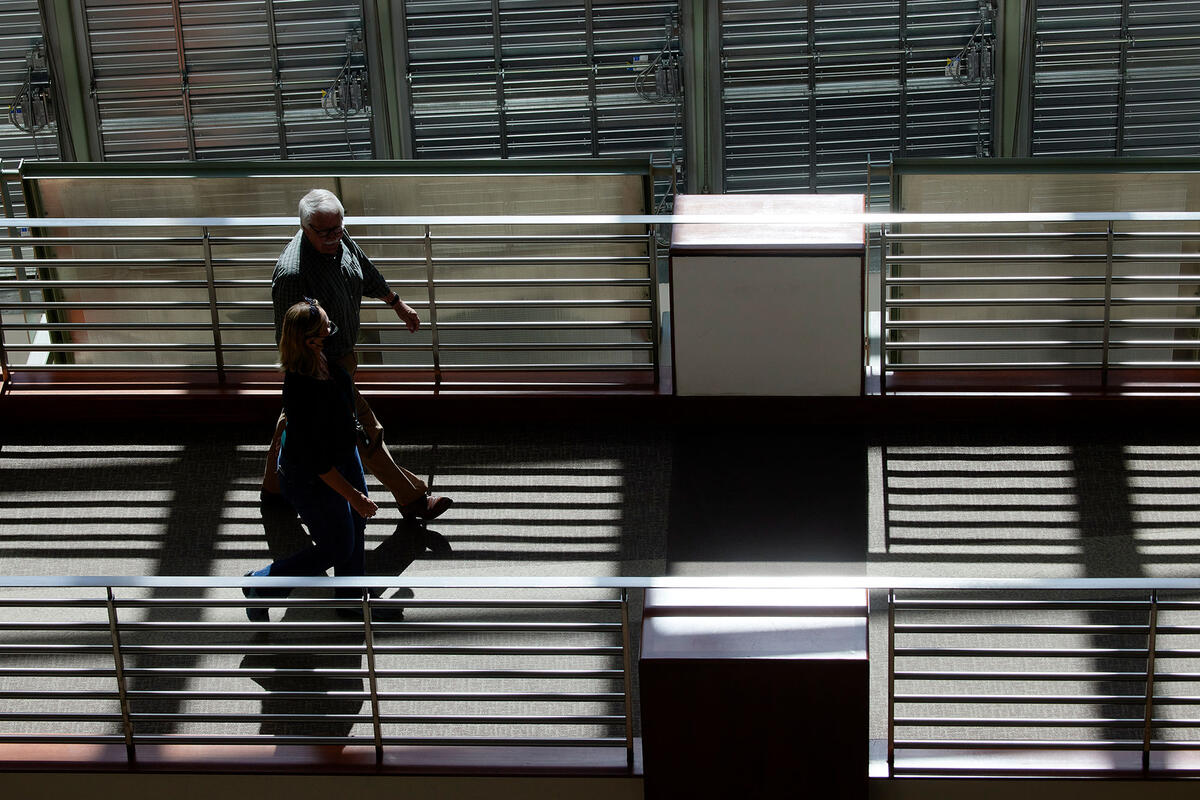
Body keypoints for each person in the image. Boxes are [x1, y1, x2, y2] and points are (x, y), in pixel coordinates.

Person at [261, 188, 451, 523]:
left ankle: (274, 490)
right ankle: (413, 499)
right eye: (326, 232)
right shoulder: (293, 274)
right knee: (363, 430)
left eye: (339, 228)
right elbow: (287, 336)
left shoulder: (336, 236)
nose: (335, 237)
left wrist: (396, 303)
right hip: (322, 368)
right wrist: (319, 374)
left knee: (293, 420)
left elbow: (363, 267)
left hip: (343, 356)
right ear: (305, 227)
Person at [245, 298, 396, 622]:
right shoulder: (301, 390)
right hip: (311, 476)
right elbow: (316, 461)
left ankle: (351, 600)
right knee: (336, 546)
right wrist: (353, 495)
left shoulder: (324, 362)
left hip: (342, 456)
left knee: (354, 527)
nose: (331, 330)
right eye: (326, 327)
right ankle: (265, 583)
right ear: (310, 340)